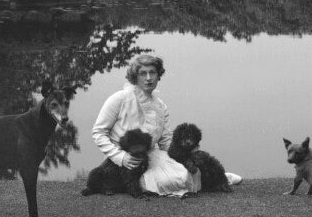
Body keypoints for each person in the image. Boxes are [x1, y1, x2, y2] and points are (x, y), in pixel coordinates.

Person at [92, 54, 238, 198]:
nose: (148, 78)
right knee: (167, 182)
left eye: (152, 73)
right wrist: (121, 157)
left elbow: (166, 142)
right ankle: (125, 184)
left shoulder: (160, 106)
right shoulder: (119, 98)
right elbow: (98, 132)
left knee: (186, 174)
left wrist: (188, 154)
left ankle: (219, 177)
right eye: (143, 73)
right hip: (122, 159)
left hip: (150, 156)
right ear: (135, 76)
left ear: (158, 75)